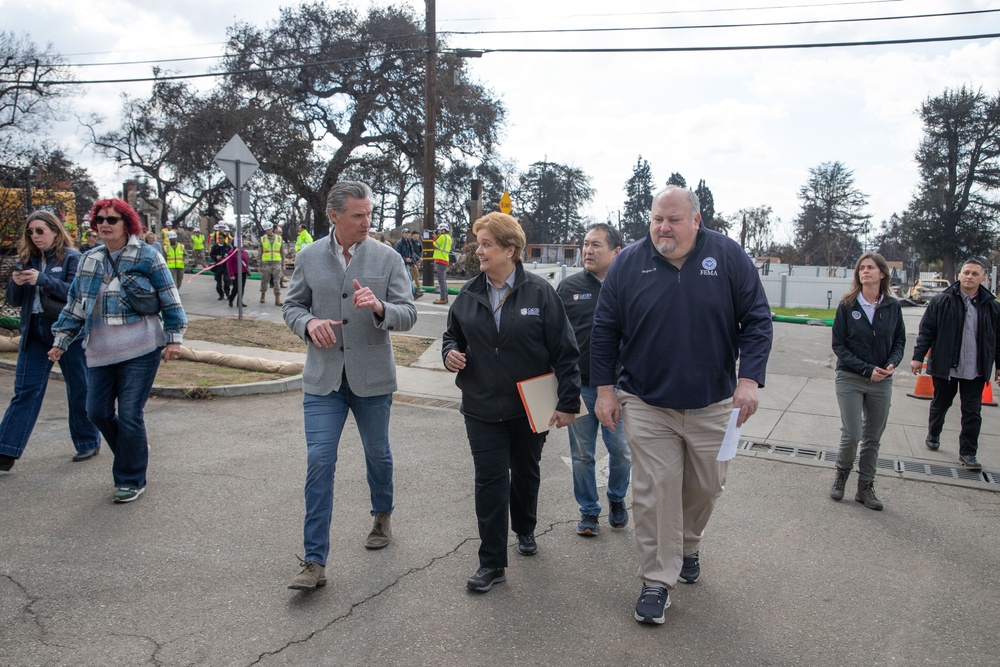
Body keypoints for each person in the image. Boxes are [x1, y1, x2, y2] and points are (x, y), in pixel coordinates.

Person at [591, 186, 772, 625]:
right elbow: (605, 329)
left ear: (696, 220)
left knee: (707, 485)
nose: (663, 228)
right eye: (656, 219)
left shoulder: (728, 256)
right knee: (656, 491)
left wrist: (748, 378)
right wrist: (604, 390)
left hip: (713, 401)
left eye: (672, 219)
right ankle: (656, 580)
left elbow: (757, 320)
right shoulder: (629, 263)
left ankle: (689, 543)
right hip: (647, 401)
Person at [283, 181, 417, 591]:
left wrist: (379, 307)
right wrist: (308, 323)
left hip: (373, 376)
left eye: (369, 214)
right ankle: (313, 561)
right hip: (323, 379)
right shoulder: (308, 257)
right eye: (357, 215)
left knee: (378, 453)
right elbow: (292, 306)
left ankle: (382, 513)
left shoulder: (388, 257)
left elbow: (408, 313)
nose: (366, 222)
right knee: (320, 460)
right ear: (334, 216)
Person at [442, 212, 581, 594]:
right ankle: (491, 563)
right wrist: (450, 352)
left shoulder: (540, 293)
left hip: (529, 407)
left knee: (525, 472)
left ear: (511, 249)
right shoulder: (468, 293)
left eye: (486, 244)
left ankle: (525, 526)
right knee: (489, 481)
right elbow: (451, 337)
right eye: (478, 243)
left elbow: (566, 352)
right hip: (482, 406)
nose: (479, 251)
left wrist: (568, 402)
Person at [48, 198, 187, 504]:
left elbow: (170, 298)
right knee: (96, 412)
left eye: (112, 219)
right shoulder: (89, 260)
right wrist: (61, 341)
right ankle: (133, 448)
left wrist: (174, 338)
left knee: (129, 413)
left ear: (128, 224)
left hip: (141, 348)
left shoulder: (147, 257)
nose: (104, 225)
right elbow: (75, 306)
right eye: (99, 219)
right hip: (100, 351)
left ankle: (130, 478)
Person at [0, 211, 102, 472]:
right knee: (25, 390)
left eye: (40, 231)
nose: (34, 237)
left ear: (55, 231)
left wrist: (42, 279)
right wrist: (15, 282)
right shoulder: (27, 259)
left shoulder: (72, 257)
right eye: (30, 232)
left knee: (79, 387)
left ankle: (88, 440)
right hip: (34, 331)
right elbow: (13, 301)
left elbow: (77, 293)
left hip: (68, 330)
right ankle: (5, 450)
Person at [556, 223, 631, 535]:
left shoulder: (630, 287)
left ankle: (616, 498)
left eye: (596, 245)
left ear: (616, 251)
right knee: (582, 455)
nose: (587, 250)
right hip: (580, 387)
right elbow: (554, 338)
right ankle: (588, 510)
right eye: (585, 244)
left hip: (620, 389)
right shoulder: (568, 288)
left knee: (622, 452)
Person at [829, 253, 906, 510]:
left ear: (882, 273)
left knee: (873, 436)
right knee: (852, 433)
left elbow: (899, 342)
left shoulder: (892, 306)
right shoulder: (847, 305)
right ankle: (841, 475)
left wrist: (892, 363)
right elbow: (839, 345)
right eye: (861, 268)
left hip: (882, 380)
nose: (865, 271)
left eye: (870, 267)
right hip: (850, 377)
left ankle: (865, 486)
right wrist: (866, 368)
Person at [911, 258, 1000, 472]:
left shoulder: (992, 307)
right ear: (959, 275)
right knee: (941, 404)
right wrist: (918, 356)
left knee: (972, 411)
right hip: (946, 367)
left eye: (974, 273)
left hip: (975, 370)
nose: (969, 276)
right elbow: (927, 331)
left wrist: (998, 365)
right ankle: (933, 433)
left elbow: (997, 339)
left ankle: (968, 453)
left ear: (983, 278)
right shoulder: (942, 301)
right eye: (966, 272)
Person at [394, 228, 422, 300]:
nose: (406, 234)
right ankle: (412, 292)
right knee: (408, 278)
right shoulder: (399, 243)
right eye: (405, 233)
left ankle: (411, 292)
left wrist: (412, 259)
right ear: (402, 234)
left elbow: (412, 252)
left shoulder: (408, 243)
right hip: (402, 263)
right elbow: (397, 254)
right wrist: (405, 259)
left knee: (409, 278)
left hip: (408, 263)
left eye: (407, 233)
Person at [259, 222, 283, 306]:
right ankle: (262, 295)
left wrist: (283, 264)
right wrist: (259, 265)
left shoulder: (279, 238)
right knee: (264, 280)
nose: (268, 231)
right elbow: (260, 252)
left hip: (276, 262)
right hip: (266, 263)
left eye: (269, 229)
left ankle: (277, 299)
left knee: (277, 281)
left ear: (272, 229)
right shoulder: (263, 239)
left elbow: (282, 252)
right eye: (266, 230)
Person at [209, 226, 233, 301]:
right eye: (218, 238)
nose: (219, 239)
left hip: (225, 265)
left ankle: (227, 293)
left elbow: (231, 255)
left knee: (226, 280)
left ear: (224, 238)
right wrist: (216, 256)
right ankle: (220, 294)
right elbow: (211, 254)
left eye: (221, 238)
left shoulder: (228, 247)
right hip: (218, 265)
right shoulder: (215, 246)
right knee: (218, 280)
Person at [432, 223, 452, 304]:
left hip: (440, 259)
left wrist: (435, 238)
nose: (439, 231)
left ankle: (443, 298)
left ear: (443, 230)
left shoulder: (442, 237)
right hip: (445, 259)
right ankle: (445, 297)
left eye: (440, 230)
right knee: (443, 280)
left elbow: (435, 245)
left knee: (441, 280)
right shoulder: (449, 238)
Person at [226, 239, 249, 308]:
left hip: (243, 272)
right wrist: (231, 274)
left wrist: (247, 268)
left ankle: (239, 301)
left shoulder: (242, 251)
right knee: (236, 288)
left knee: (241, 288)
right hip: (235, 272)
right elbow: (229, 264)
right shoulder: (231, 252)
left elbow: (245, 260)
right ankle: (231, 299)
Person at [409, 228, 424, 296]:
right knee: (416, 274)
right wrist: (418, 257)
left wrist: (420, 257)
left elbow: (420, 250)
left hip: (417, 260)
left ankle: (409, 286)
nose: (417, 236)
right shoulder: (410, 242)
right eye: (416, 234)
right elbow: (412, 252)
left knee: (412, 275)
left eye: (417, 234)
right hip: (412, 260)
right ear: (412, 235)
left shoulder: (418, 242)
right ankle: (419, 287)